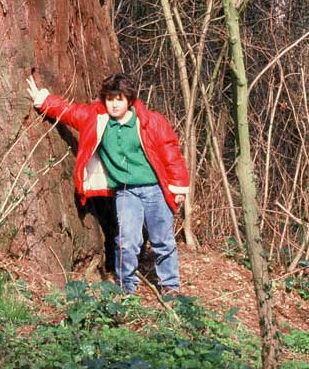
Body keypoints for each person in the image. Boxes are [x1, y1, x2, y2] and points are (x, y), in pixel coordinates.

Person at [26, 71, 189, 294]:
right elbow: (70, 112)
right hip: (125, 192)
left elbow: (171, 153)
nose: (113, 105)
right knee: (127, 242)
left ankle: (170, 286)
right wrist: (44, 100)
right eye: (110, 99)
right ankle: (126, 286)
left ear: (129, 99)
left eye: (119, 99)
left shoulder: (150, 121)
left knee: (163, 240)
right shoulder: (97, 119)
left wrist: (178, 186)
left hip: (155, 189)